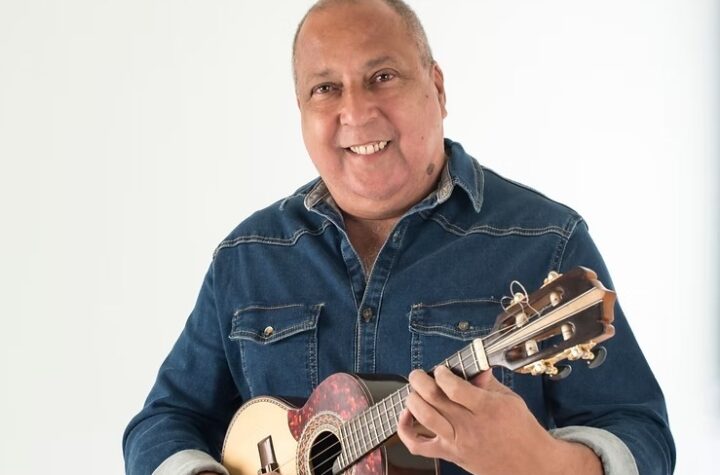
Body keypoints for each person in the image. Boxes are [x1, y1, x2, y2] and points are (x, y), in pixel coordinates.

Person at [123, 1, 675, 474]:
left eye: (382, 77)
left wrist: (544, 463)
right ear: (302, 111)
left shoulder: (545, 240)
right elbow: (166, 419)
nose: (356, 111)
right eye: (325, 88)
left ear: (437, 87)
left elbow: (640, 433)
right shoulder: (248, 256)